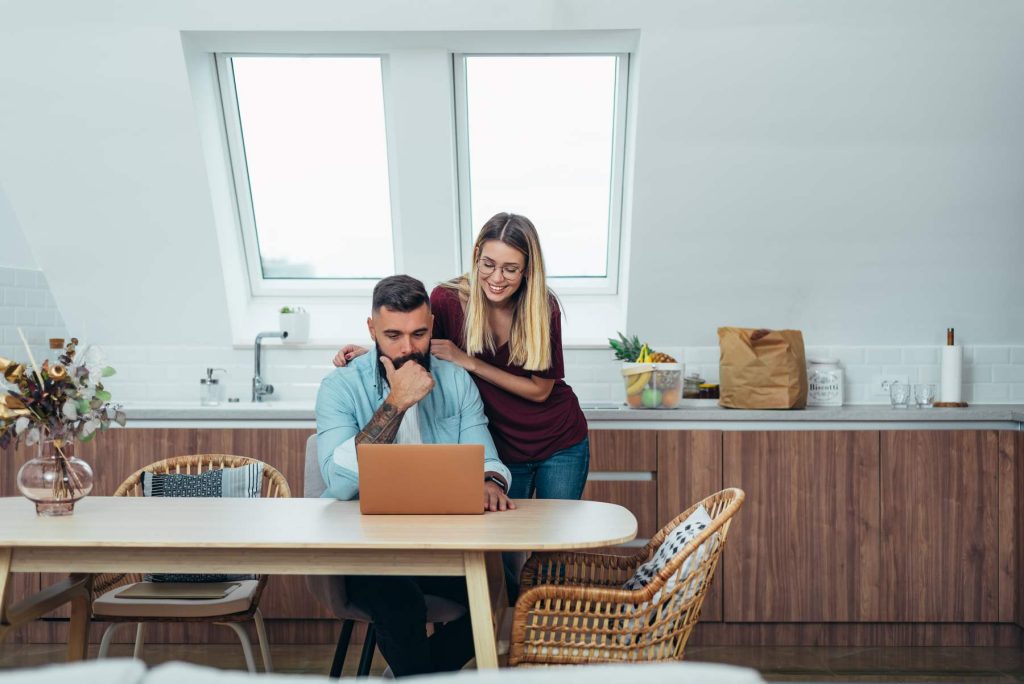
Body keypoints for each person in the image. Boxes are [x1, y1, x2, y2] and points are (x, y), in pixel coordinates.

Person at [315, 274, 514, 677]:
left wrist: (491, 481)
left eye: (419, 333)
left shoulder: (456, 381)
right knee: (400, 601)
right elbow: (338, 483)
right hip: (366, 552)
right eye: (393, 335)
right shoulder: (339, 387)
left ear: (432, 327)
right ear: (371, 329)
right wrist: (396, 402)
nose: (408, 348)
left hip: (440, 549)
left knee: (503, 594)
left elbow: (487, 458)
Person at [334, 213, 589, 501]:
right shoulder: (447, 301)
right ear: (477, 256)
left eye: (510, 269)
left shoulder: (543, 307)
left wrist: (470, 361)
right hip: (499, 445)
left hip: (559, 441)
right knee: (505, 542)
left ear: (528, 269)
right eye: (488, 264)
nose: (496, 278)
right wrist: (376, 349)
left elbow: (541, 391)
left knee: (554, 544)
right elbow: (422, 350)